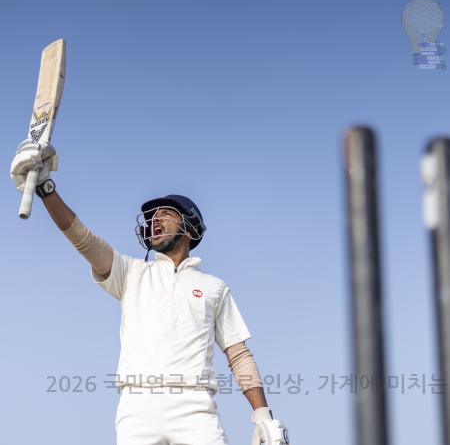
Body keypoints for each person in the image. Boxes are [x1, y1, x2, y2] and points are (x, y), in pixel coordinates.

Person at [11, 139, 290, 445]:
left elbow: (239, 355)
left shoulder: (214, 287)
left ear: (190, 227)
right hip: (137, 406)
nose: (155, 219)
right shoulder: (131, 273)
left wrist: (262, 415)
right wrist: (46, 189)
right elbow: (83, 239)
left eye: (165, 214)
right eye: (152, 217)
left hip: (195, 408)